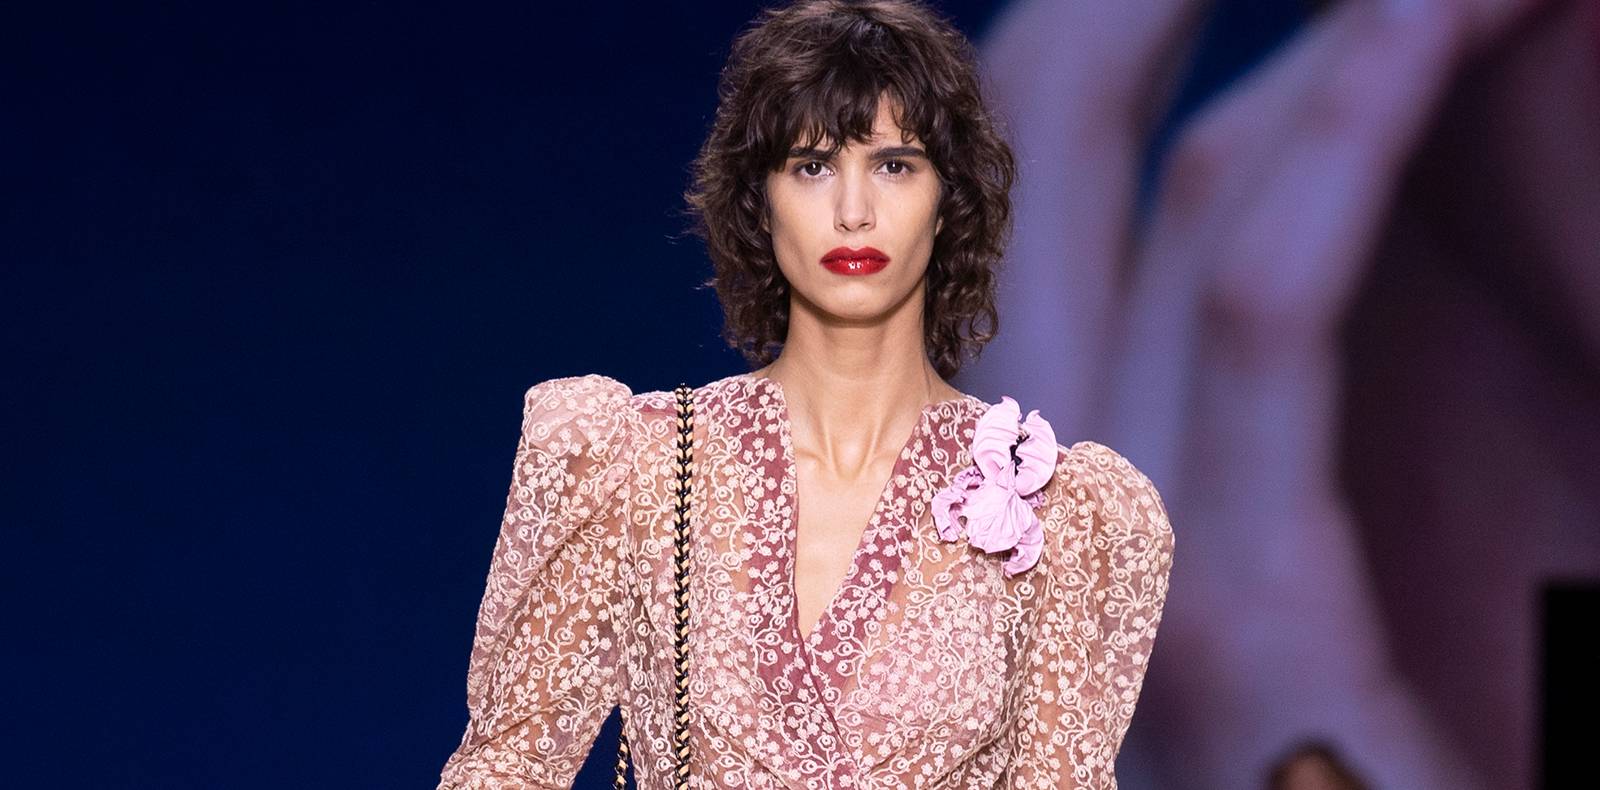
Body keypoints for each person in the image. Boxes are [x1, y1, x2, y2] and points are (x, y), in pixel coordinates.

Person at [436, 1, 1175, 787]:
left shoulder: (1064, 513)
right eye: (812, 165)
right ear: (760, 201)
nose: (854, 212)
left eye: (895, 165)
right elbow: (507, 766)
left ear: (948, 203)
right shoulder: (634, 466)